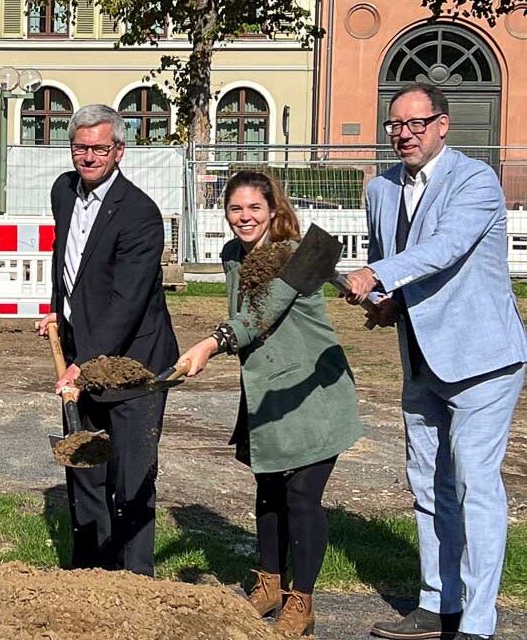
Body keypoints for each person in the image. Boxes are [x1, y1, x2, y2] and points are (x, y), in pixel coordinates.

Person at [345, 83, 527, 640]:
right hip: (420, 361)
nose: (404, 134)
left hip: (482, 361)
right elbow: (393, 260)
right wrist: (385, 303)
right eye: (395, 125)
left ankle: (477, 621)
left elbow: (445, 247)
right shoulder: (380, 188)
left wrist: (379, 275)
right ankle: (437, 601)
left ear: (443, 125)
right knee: (427, 485)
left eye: (416, 123)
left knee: (474, 481)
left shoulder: (474, 180)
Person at [178, 170, 363, 636]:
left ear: (273, 210)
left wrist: (210, 344)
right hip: (267, 393)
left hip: (312, 392)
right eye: (236, 209)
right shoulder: (232, 256)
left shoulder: (293, 256)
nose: (245, 217)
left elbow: (260, 315)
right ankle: (269, 583)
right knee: (269, 489)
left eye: (254, 208)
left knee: (301, 497)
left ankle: (302, 600)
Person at [36, 104, 178, 576]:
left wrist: (85, 363)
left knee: (131, 478)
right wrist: (57, 309)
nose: (88, 156)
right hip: (82, 350)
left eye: (99, 148)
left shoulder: (140, 214)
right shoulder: (63, 191)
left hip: (134, 363)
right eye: (80, 147)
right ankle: (91, 575)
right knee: (85, 469)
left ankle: (137, 582)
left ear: (119, 151)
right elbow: (67, 258)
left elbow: (127, 300)